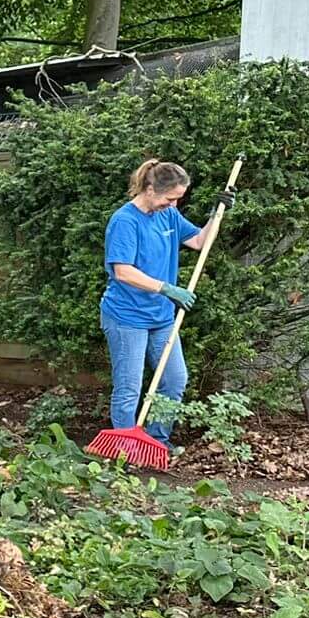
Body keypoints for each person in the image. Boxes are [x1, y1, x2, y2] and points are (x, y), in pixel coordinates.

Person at [102, 159, 210, 448]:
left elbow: (199, 241)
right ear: (150, 189)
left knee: (174, 380)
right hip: (126, 316)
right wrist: (166, 288)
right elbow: (123, 271)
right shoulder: (125, 221)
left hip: (161, 316)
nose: (174, 205)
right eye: (170, 198)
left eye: (178, 199)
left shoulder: (168, 215)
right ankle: (125, 450)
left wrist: (217, 214)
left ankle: (155, 441)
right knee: (129, 387)